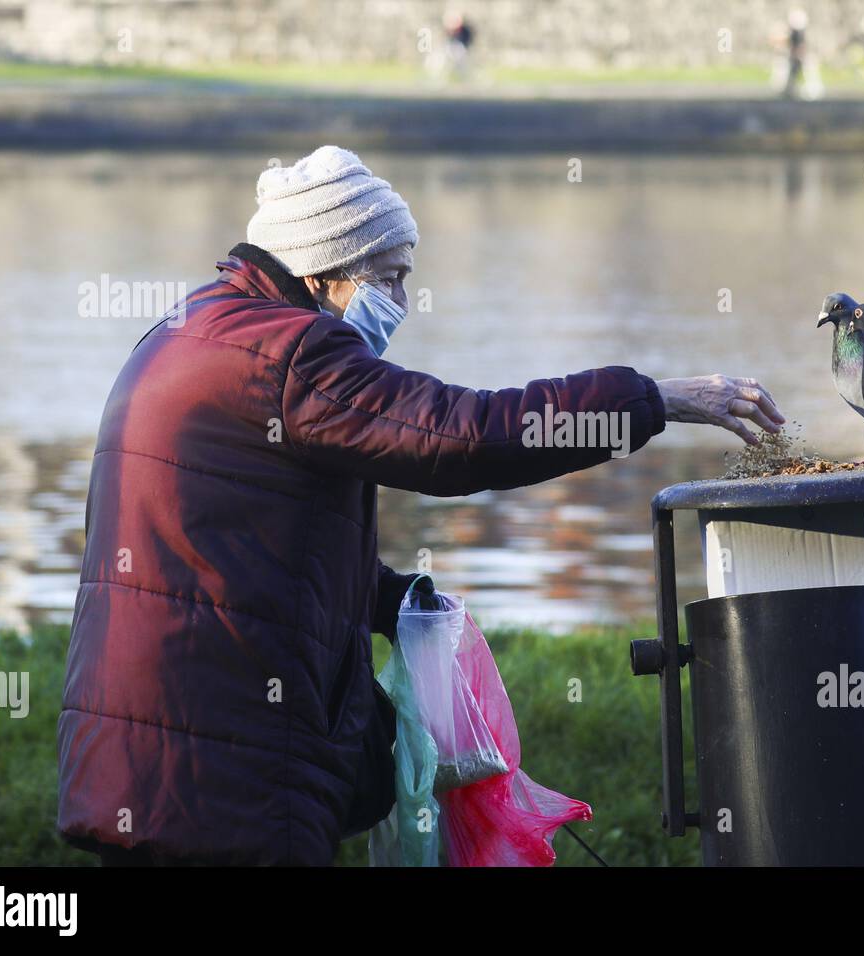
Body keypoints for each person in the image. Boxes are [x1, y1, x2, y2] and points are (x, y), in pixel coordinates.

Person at [56, 145, 784, 866]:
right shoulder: (291, 354)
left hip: (153, 749)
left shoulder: (194, 329)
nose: (401, 303)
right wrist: (654, 397)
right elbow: (463, 437)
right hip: (223, 761)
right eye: (391, 279)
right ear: (324, 274)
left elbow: (241, 545)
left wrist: (394, 600)